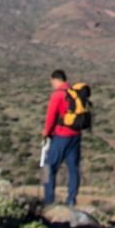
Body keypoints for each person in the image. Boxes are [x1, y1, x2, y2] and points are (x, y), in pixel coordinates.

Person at [42, 68, 82, 207]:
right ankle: (71, 200)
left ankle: (48, 200)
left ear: (55, 80)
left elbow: (51, 116)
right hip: (76, 135)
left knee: (48, 167)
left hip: (61, 135)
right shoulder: (74, 93)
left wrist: (46, 132)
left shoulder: (57, 95)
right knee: (73, 168)